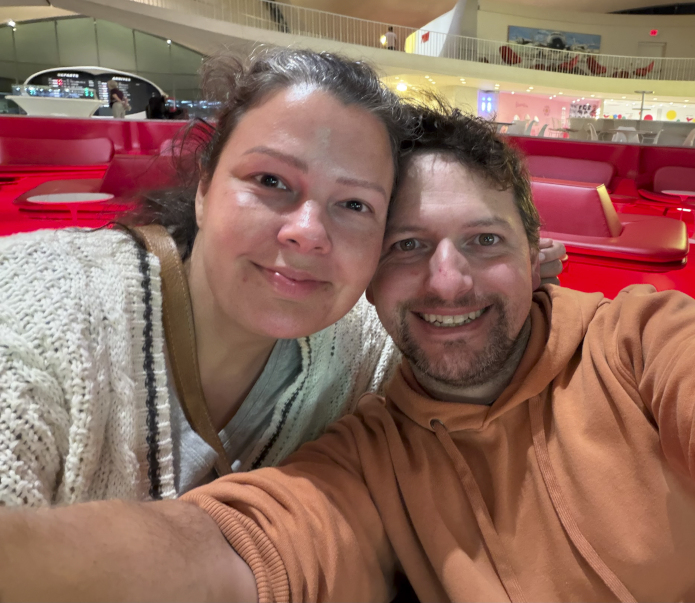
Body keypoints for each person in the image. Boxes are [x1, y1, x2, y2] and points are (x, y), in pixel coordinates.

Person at [0, 104, 695, 602]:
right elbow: (236, 548)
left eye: (484, 240)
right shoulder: (371, 457)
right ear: (367, 277)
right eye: (407, 246)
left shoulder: (641, 342)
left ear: (538, 258)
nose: (448, 281)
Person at [0, 47, 571, 508]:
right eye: (270, 181)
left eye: (354, 204)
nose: (307, 232)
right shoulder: (39, 312)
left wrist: (508, 276)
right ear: (205, 187)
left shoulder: (356, 346)